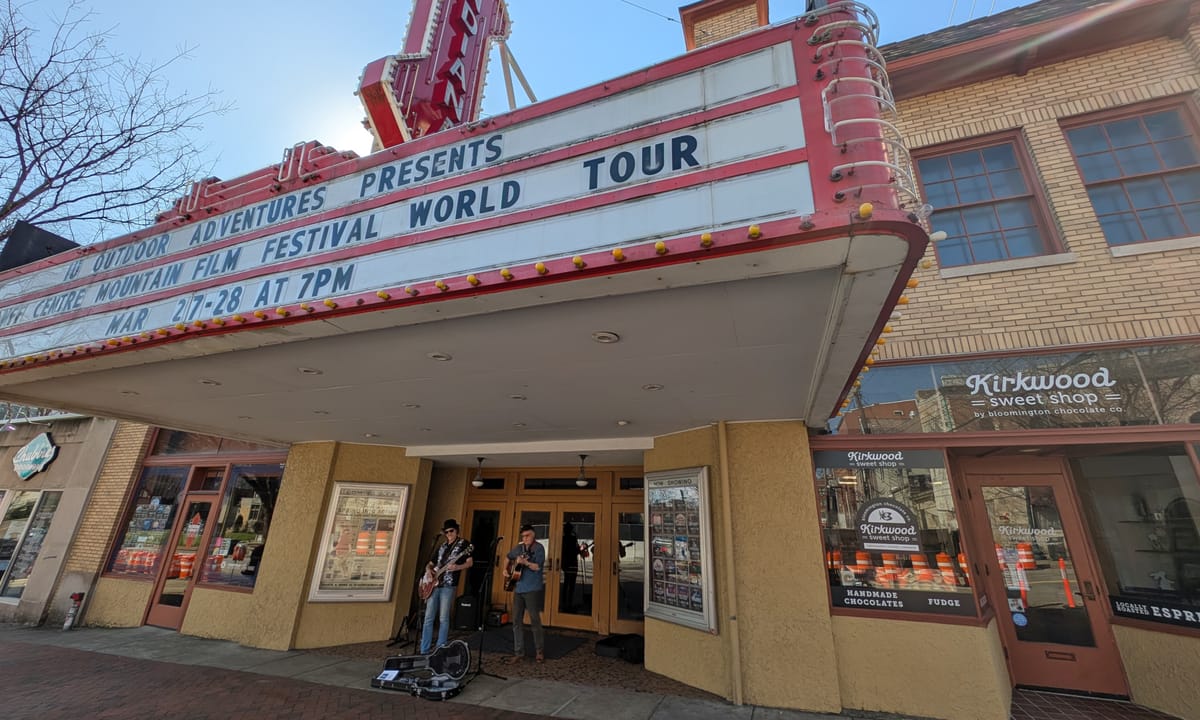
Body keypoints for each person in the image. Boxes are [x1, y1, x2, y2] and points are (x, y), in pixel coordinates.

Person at [420, 518, 473, 655]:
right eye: (446, 531)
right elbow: (430, 563)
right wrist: (428, 571)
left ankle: (440, 648)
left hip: (448, 585)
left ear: (457, 531)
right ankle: (424, 649)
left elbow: (470, 563)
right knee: (428, 617)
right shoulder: (442, 546)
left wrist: (457, 567)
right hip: (434, 585)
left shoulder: (464, 545)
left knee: (443, 617)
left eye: (451, 531)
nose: (449, 533)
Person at [504, 523, 546, 663]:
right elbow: (507, 557)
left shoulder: (538, 548)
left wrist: (525, 563)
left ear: (533, 535)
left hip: (532, 588)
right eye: (523, 536)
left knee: (535, 620)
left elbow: (537, 567)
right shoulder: (519, 547)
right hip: (518, 587)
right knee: (516, 620)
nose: (525, 538)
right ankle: (519, 652)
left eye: (527, 536)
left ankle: (539, 651)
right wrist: (506, 569)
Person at [560, 522, 581, 612]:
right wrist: (580, 549)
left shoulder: (563, 539)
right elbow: (576, 551)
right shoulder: (573, 539)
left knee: (566, 584)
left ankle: (564, 603)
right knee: (571, 585)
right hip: (572, 564)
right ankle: (569, 603)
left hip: (566, 564)